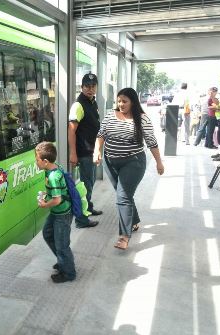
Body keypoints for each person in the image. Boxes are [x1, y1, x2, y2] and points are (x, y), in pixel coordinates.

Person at [93, 88, 164, 250]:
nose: (121, 104)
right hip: (110, 162)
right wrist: (97, 150)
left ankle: (124, 236)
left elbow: (151, 142)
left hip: (133, 162)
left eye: (125, 101)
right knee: (124, 195)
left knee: (122, 197)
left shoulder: (142, 119)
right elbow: (101, 134)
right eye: (119, 101)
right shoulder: (111, 115)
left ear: (133, 102)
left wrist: (159, 162)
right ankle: (134, 221)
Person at [35, 141, 76, 283]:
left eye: (37, 160)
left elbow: (57, 200)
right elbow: (56, 192)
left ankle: (68, 273)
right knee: (47, 233)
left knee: (62, 244)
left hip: (62, 214)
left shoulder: (52, 176)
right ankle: (62, 260)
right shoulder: (53, 168)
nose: (36, 163)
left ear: (45, 161)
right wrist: (47, 195)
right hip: (57, 212)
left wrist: (44, 204)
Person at [68, 72, 103, 228]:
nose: (90, 89)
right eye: (87, 86)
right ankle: (81, 220)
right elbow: (71, 130)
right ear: (81, 87)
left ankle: (88, 207)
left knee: (90, 182)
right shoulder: (78, 105)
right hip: (83, 152)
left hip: (92, 151)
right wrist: (73, 153)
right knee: (85, 186)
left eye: (93, 86)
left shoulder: (92, 102)